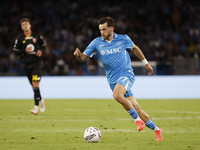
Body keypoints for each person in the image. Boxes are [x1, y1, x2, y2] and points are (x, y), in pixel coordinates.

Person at [74, 16, 163, 141]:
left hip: (126, 74)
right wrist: (78, 56)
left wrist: (146, 64)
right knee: (136, 108)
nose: (102, 32)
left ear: (111, 28)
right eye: (100, 30)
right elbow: (83, 58)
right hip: (113, 81)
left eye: (104, 29)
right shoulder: (96, 43)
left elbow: (135, 48)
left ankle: (138, 121)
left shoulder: (123, 39)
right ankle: (157, 129)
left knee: (117, 95)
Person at [13, 18, 46, 115]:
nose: (25, 26)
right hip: (27, 65)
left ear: (30, 25)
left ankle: (36, 108)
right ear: (21, 27)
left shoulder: (37, 36)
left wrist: (41, 51)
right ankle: (41, 99)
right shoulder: (20, 38)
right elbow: (15, 51)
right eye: (23, 25)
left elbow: (44, 46)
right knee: (34, 86)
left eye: (26, 24)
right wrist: (24, 51)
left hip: (37, 64)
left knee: (35, 84)